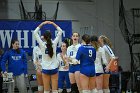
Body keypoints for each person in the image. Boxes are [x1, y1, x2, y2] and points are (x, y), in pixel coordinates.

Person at [33, 21, 63, 93]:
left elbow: (35, 33)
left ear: (44, 37)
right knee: (54, 90)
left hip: (45, 69)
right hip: (54, 69)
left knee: (46, 90)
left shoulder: (42, 45)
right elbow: (60, 31)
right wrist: (52, 24)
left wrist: (42, 24)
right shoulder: (54, 43)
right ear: (51, 36)